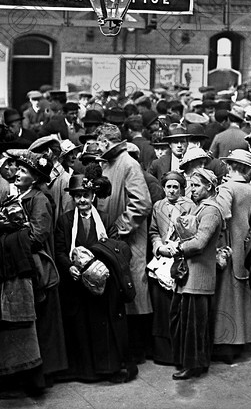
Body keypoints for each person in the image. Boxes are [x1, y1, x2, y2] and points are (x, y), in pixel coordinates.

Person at [0, 150, 67, 399]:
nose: (16, 173)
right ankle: (20, 375)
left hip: (32, 269)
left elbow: (37, 235)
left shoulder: (39, 199)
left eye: (23, 171)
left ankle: (33, 379)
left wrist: (6, 232)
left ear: (33, 178)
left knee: (33, 323)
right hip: (18, 266)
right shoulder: (19, 196)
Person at [54, 173, 135, 383]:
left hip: (102, 283)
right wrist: (69, 266)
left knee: (102, 326)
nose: (82, 200)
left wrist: (101, 267)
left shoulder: (106, 219)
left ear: (93, 196)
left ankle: (106, 369)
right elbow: (60, 250)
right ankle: (84, 371)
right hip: (76, 283)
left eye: (86, 195)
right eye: (78, 196)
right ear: (72, 197)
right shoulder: (64, 221)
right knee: (80, 326)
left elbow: (116, 248)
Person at [95, 123, 154, 364]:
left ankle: (138, 350)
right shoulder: (109, 162)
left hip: (129, 241)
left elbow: (142, 203)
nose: (97, 146)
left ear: (108, 142)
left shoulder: (128, 164)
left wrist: (119, 227)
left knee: (135, 294)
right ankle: (128, 349)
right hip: (115, 242)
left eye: (100, 142)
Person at [168, 168, 224, 380]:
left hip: (198, 275)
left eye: (196, 185)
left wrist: (178, 248)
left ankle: (193, 365)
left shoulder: (211, 211)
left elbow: (200, 242)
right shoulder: (202, 208)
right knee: (188, 321)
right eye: (190, 185)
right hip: (191, 275)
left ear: (209, 187)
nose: (191, 190)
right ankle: (193, 362)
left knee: (193, 323)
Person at [212, 149, 251, 364]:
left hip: (228, 244)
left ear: (230, 166)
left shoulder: (227, 188)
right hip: (244, 245)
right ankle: (242, 340)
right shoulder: (249, 188)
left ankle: (225, 344)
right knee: (241, 294)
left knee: (226, 297)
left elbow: (222, 214)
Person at [148, 171, 195, 365]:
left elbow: (193, 232)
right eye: (168, 187)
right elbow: (153, 231)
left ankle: (180, 352)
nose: (172, 190)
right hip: (161, 260)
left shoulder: (190, 206)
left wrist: (176, 247)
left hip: (180, 260)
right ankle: (162, 353)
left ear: (181, 189)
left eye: (176, 187)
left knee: (178, 307)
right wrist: (158, 246)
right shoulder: (158, 206)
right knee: (161, 308)